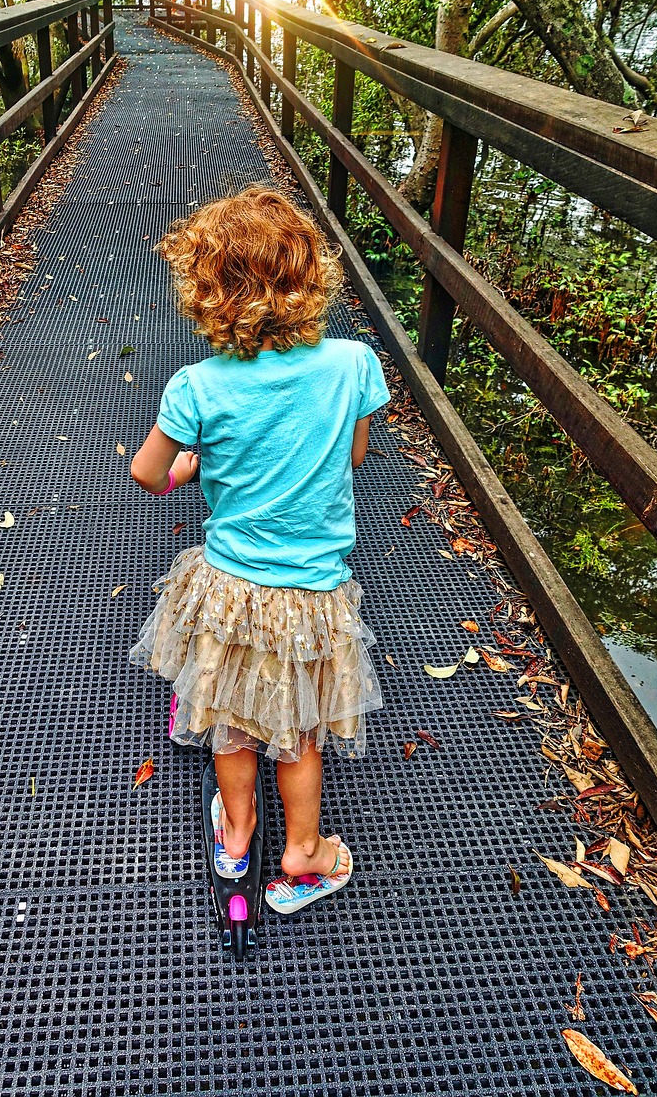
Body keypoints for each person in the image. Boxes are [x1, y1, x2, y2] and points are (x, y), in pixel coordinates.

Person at [129, 185, 390, 915]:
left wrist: (194, 466)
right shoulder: (350, 365)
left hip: (230, 584)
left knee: (231, 719)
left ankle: (236, 832)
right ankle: (302, 856)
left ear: (206, 291)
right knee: (298, 730)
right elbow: (354, 456)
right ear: (312, 277)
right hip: (311, 588)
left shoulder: (196, 386)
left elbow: (150, 473)